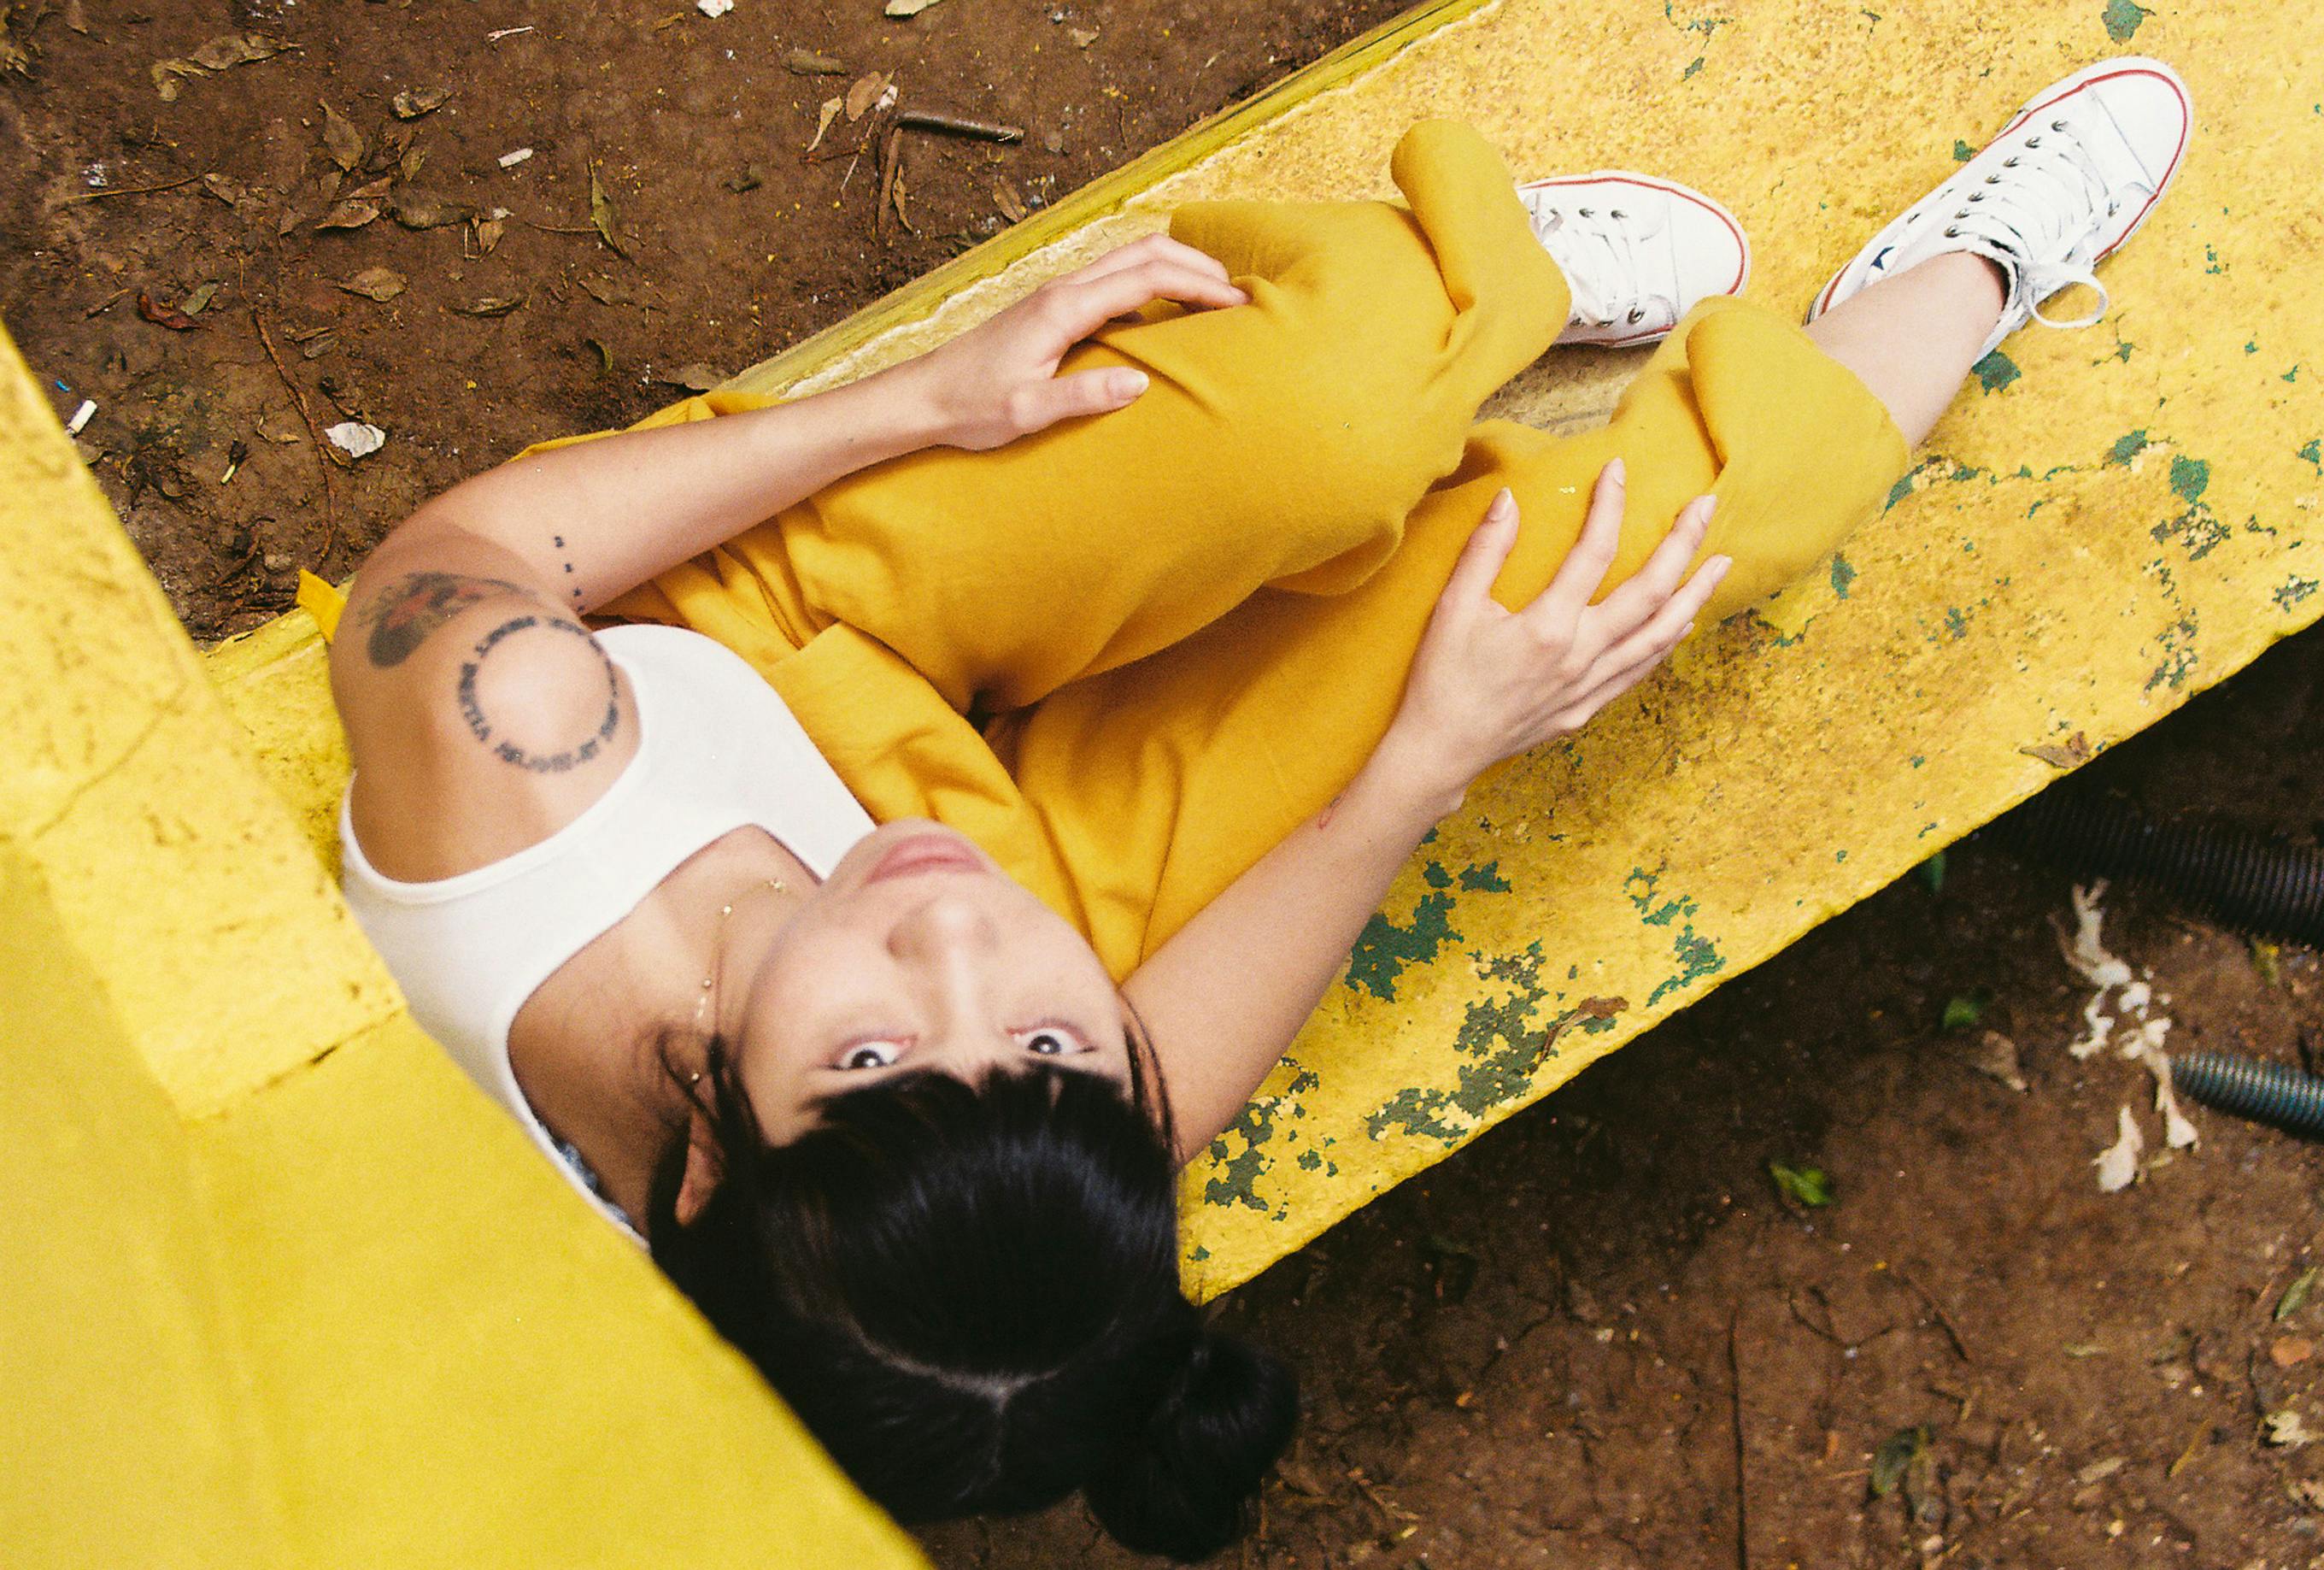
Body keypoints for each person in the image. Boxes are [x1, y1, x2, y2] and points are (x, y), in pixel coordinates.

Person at [326, 57, 2189, 1561]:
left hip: (766, 638)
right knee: (1608, 587)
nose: (959, 940)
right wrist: (1432, 754)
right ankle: (1958, 283)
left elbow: (475, 545)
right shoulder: (971, 1154)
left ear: (713, 1154)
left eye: (876, 1053)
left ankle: (1497, 282)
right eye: (1049, 1044)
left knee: (1324, 415)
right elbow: (1147, 1071)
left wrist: (918, 403)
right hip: (945, 825)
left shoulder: (519, 748)